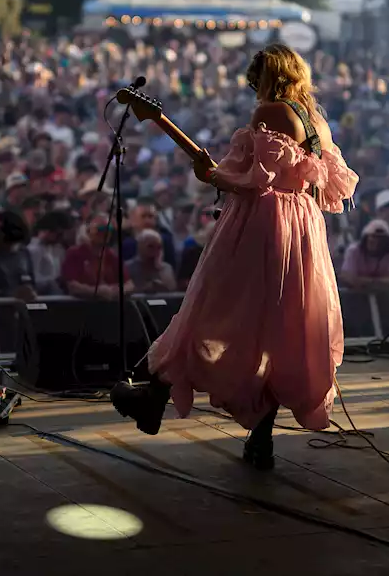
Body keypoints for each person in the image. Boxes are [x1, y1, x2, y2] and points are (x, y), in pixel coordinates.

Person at [112, 43, 359, 471]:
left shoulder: (270, 114)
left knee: (210, 309)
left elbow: (252, 182)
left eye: (254, 81)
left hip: (262, 227)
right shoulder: (316, 122)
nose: (252, 91)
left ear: (266, 77)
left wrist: (211, 174)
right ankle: (259, 442)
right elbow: (330, 189)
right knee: (277, 334)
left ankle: (152, 394)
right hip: (301, 229)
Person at [125, 228, 178, 292]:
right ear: (140, 247)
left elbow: (173, 290)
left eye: (159, 247)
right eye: (150, 246)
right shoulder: (127, 268)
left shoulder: (166, 268)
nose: (155, 251)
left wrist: (162, 285)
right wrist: (145, 288)